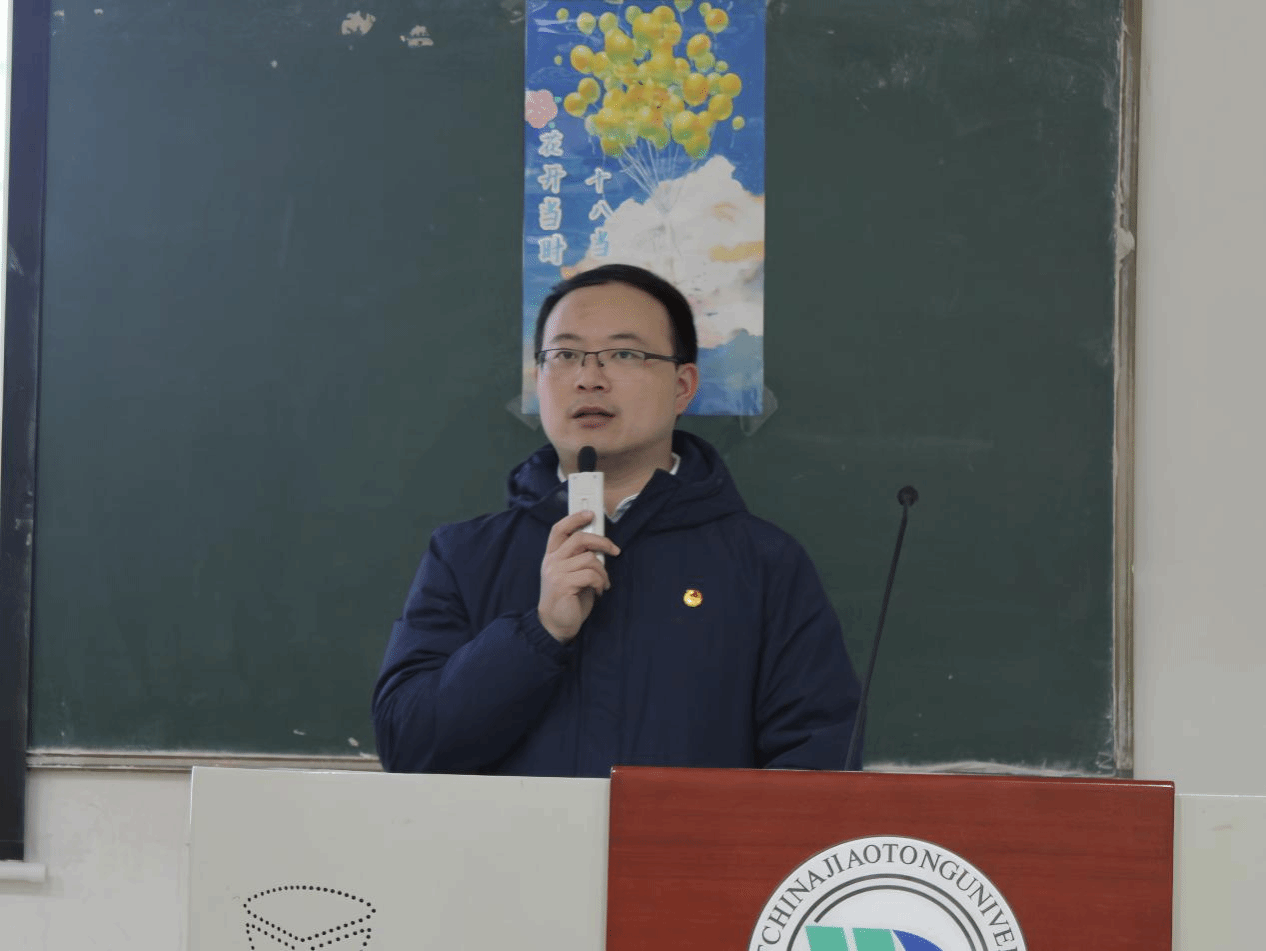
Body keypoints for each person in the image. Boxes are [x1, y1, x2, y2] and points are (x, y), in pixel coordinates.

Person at [372, 263, 861, 777]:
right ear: (539, 380)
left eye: (625, 354)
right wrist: (539, 633)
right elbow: (408, 749)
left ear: (683, 386)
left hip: (685, 836)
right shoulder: (464, 556)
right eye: (565, 355)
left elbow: (818, 763)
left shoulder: (765, 564)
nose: (589, 379)